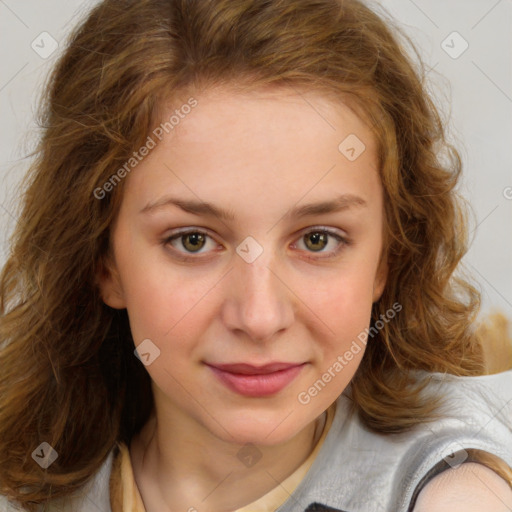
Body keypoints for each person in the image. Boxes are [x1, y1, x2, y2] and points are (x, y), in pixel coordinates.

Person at [0, 0, 511, 511]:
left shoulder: (454, 487)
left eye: (317, 240)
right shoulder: (30, 490)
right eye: (193, 241)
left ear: (387, 259)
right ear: (103, 261)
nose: (260, 317)